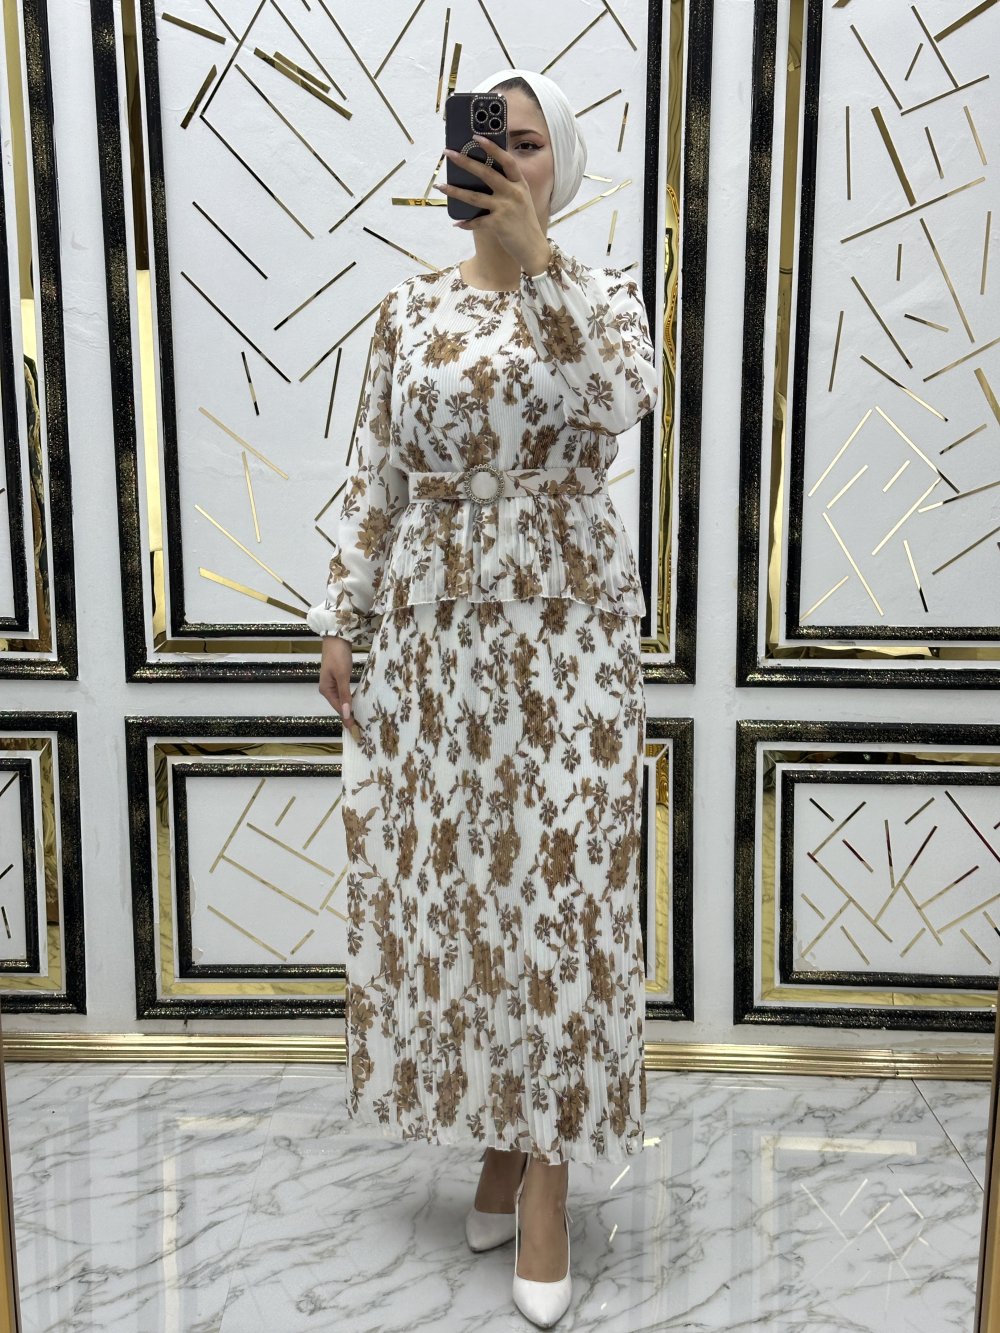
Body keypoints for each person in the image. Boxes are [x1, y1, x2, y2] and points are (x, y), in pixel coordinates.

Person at [306, 66, 658, 1329]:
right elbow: (379, 473)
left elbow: (623, 401)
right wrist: (344, 613)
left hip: (568, 631)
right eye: (487, 138)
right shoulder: (406, 311)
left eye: (528, 142)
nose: (504, 157)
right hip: (436, 635)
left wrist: (541, 262)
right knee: (470, 893)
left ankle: (549, 1173)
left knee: (564, 892)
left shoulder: (601, 298)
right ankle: (501, 1141)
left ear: (560, 164)